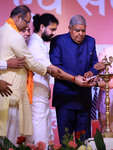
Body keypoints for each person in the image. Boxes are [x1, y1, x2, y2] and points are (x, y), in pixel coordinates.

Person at [0, 5, 60, 144]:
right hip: (10, 92)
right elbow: (30, 62)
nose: (28, 25)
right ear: (18, 17)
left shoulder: (3, 31)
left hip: (10, 92)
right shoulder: (14, 36)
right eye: (26, 22)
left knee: (7, 137)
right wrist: (48, 70)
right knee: (9, 139)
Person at [49, 15, 99, 143]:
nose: (81, 34)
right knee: (65, 141)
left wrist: (91, 71)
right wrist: (75, 78)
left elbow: (95, 63)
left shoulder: (90, 41)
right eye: (77, 30)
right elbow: (56, 65)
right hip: (65, 97)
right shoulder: (58, 41)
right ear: (69, 28)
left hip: (83, 98)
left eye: (83, 31)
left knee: (84, 141)